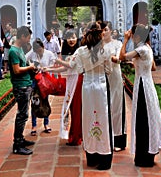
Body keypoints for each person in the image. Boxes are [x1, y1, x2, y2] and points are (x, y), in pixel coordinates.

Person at [119, 23, 161, 167]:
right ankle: (148, 154)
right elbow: (153, 67)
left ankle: (143, 156)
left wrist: (125, 39)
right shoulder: (147, 48)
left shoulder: (140, 49)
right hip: (148, 86)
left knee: (142, 120)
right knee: (148, 119)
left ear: (136, 35)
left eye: (132, 34)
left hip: (143, 87)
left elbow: (122, 57)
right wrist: (138, 65)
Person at [70, 27, 113, 170]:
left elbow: (79, 69)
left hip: (87, 87)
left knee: (88, 119)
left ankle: (91, 156)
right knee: (103, 119)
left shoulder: (81, 51)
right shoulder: (106, 50)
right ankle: (104, 157)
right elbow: (109, 70)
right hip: (101, 86)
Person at [47, 29, 82, 146]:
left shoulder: (79, 51)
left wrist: (55, 60)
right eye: (69, 37)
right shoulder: (67, 52)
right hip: (70, 81)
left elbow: (70, 65)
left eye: (73, 37)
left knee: (77, 109)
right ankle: (75, 134)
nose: (71, 40)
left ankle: (76, 137)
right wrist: (49, 69)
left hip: (78, 81)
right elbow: (65, 68)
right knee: (72, 109)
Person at [8, 25, 35, 155]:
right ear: (23, 36)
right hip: (21, 86)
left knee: (24, 114)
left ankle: (21, 139)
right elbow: (17, 70)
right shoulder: (13, 51)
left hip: (26, 85)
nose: (29, 40)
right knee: (22, 115)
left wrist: (30, 66)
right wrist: (30, 68)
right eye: (28, 37)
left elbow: (22, 65)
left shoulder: (19, 50)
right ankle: (17, 145)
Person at [103, 21, 127, 151]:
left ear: (111, 31)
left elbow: (118, 59)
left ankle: (119, 140)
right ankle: (105, 137)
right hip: (102, 78)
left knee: (117, 107)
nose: (104, 32)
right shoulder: (98, 45)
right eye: (102, 30)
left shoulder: (117, 44)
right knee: (104, 107)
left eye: (106, 29)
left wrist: (110, 57)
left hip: (115, 78)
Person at [26, 38, 56, 135]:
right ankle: (34, 125)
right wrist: (31, 66)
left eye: (40, 50)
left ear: (43, 47)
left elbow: (53, 65)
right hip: (35, 80)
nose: (39, 52)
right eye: (37, 51)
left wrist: (46, 69)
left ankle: (46, 124)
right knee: (35, 102)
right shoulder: (32, 53)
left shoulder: (49, 54)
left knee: (45, 101)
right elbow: (24, 58)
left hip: (45, 81)